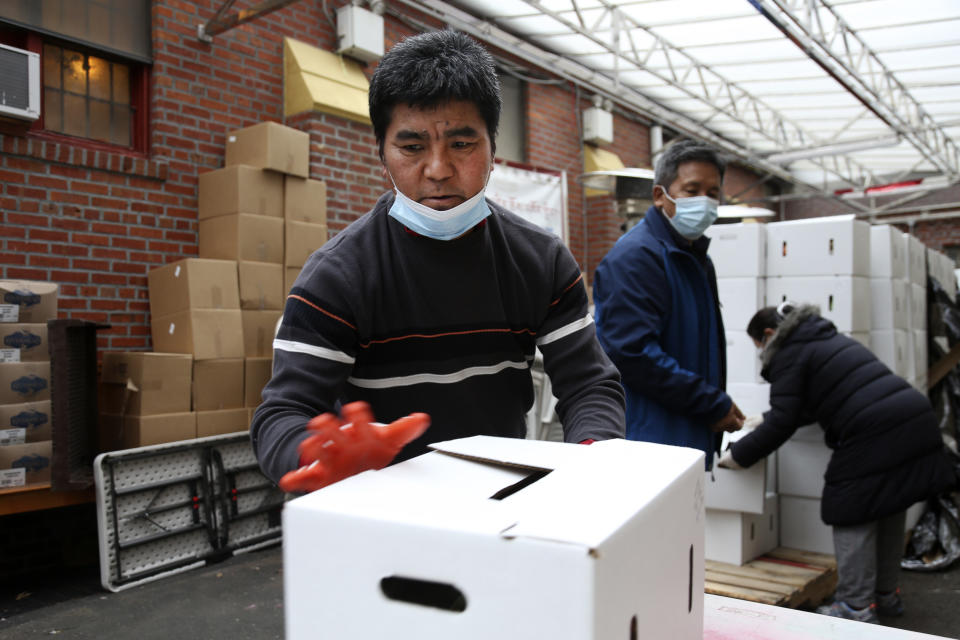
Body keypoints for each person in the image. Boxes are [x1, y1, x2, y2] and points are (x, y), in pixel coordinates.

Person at [251, 30, 625, 491]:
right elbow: (283, 412)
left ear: (493, 151)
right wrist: (315, 455)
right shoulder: (338, 276)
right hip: (379, 508)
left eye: (462, 144)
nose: (438, 169)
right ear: (382, 156)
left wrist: (592, 455)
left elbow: (588, 384)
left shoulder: (541, 262)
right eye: (412, 148)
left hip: (506, 502)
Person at [719, 303, 956, 623]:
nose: (761, 352)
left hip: (877, 430)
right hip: (913, 417)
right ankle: (886, 597)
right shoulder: (825, 339)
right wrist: (767, 418)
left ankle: (854, 606)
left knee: (847, 508)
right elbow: (818, 399)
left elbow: (784, 423)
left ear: (770, 335)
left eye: (758, 345)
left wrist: (738, 456)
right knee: (889, 505)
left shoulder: (789, 354)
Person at [592, 139, 743, 469]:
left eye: (713, 193)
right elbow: (632, 352)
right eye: (692, 190)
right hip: (649, 443)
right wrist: (711, 404)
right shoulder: (636, 258)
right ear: (660, 195)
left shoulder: (695, 258)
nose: (704, 201)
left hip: (683, 437)